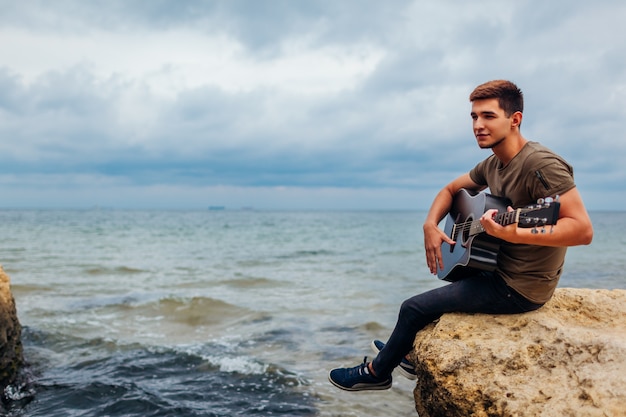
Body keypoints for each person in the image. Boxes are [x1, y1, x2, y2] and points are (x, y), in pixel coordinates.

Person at [328, 79, 594, 391]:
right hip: (496, 267)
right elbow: (450, 190)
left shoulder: (540, 165)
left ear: (515, 119)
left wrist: (514, 233)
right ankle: (406, 354)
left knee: (411, 308)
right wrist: (430, 224)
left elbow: (582, 229)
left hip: (519, 286)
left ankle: (377, 373)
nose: (478, 125)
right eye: (474, 117)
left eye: (489, 116)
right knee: (447, 277)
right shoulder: (494, 163)